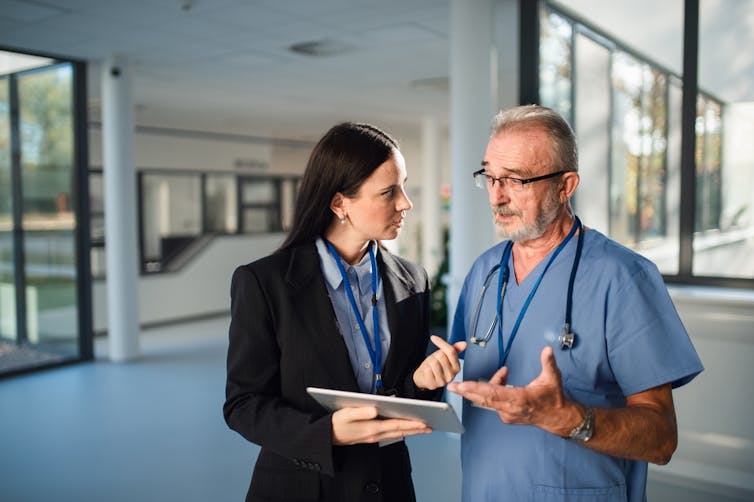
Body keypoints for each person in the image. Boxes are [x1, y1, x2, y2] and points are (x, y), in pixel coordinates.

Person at [446, 105, 703, 501]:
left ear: (565, 186)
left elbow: (661, 439)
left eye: (516, 180)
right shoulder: (484, 273)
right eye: (490, 176)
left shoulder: (622, 277)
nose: (497, 196)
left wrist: (567, 419)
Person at [224, 122, 465, 502]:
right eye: (389, 192)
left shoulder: (412, 280)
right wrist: (328, 431)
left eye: (403, 186)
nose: (406, 202)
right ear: (339, 204)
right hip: (301, 487)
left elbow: (400, 397)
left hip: (389, 485)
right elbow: (244, 405)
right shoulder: (263, 283)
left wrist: (422, 381)